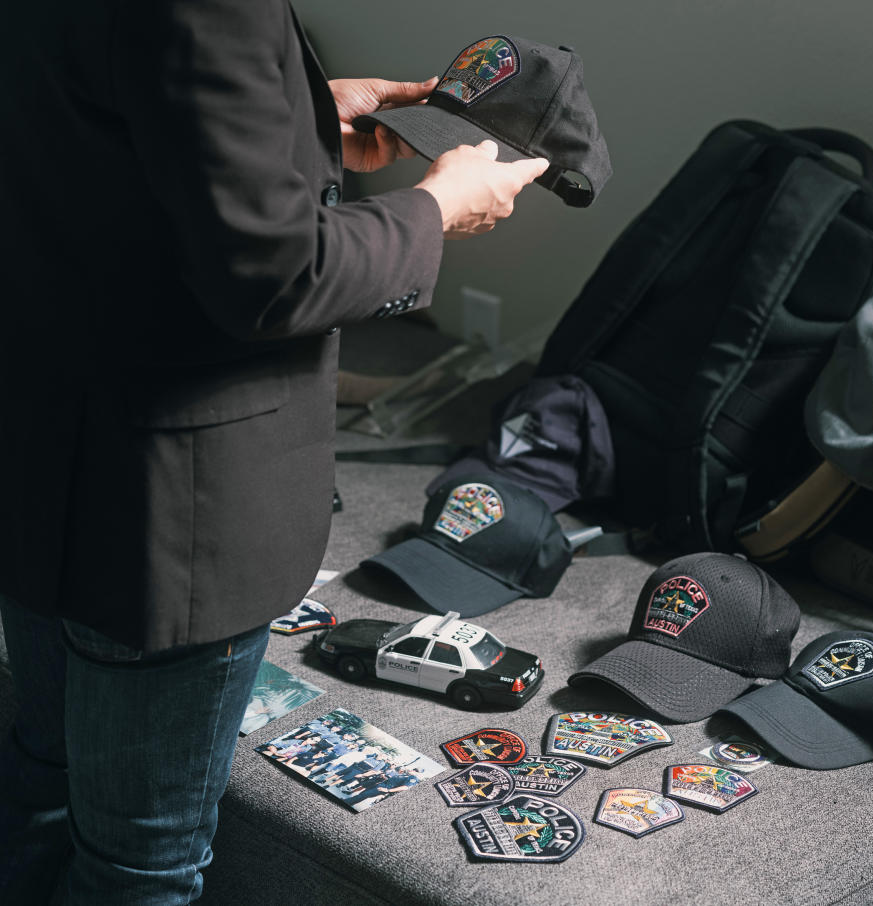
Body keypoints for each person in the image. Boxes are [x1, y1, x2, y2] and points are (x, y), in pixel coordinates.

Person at [0, 1, 548, 903]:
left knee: (43, 775)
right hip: (170, 503)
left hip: (42, 443)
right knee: (141, 863)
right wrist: (436, 209)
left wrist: (293, 123)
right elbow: (278, 279)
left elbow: (90, 126)